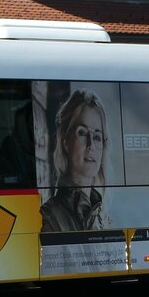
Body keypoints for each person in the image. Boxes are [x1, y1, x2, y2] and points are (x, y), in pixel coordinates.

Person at [40, 89, 109, 232]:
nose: (91, 146)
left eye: (97, 137)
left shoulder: (103, 217)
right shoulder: (50, 216)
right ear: (66, 141)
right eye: (82, 133)